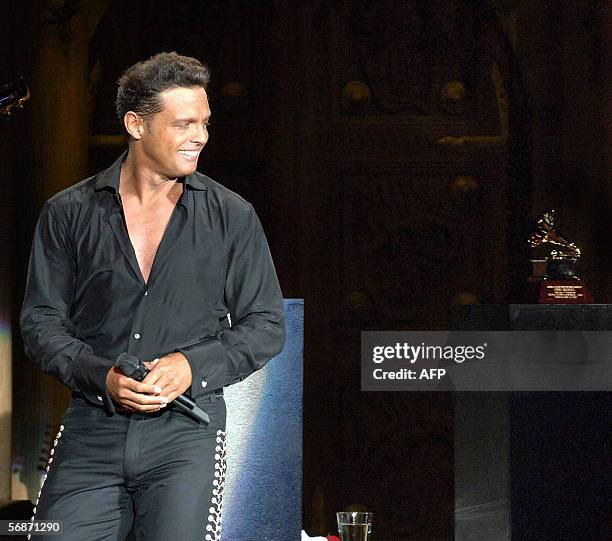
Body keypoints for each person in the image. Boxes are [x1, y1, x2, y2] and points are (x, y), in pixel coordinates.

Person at [20, 51, 285, 541]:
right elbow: (41, 322)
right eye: (184, 123)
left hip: (187, 435)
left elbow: (266, 324)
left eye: (204, 122)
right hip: (92, 429)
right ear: (136, 124)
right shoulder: (69, 212)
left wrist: (191, 364)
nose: (200, 136)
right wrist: (101, 375)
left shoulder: (232, 216)